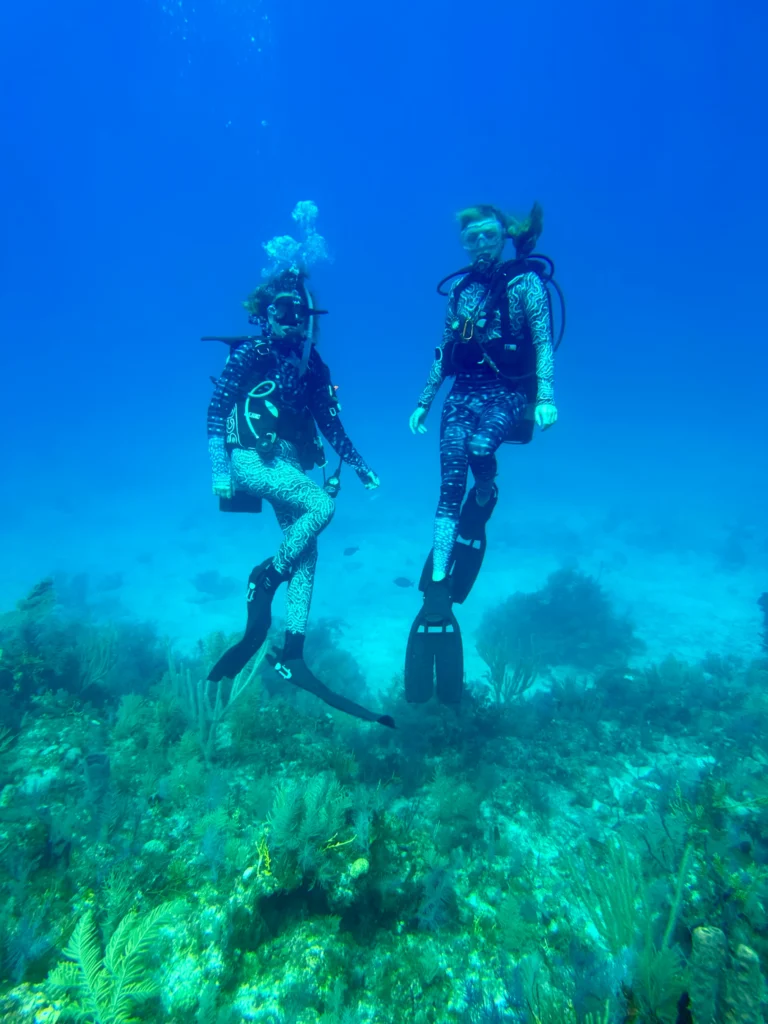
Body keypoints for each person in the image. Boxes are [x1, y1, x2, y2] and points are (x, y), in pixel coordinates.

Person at [205, 204, 392, 728]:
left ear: (308, 318)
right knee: (319, 506)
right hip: (250, 459)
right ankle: (266, 577)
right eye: (280, 313)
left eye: (297, 314)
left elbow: (331, 426)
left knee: (309, 552)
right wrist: (221, 471)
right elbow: (216, 412)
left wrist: (359, 464)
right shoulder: (251, 357)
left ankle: (292, 651)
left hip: (288, 463)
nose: (289, 322)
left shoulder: (314, 366)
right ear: (264, 315)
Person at [404, 202, 560, 704]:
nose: (479, 245)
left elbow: (541, 343)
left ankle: (488, 488)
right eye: (470, 238)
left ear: (503, 237)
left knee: (476, 448)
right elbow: (444, 353)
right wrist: (425, 402)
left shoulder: (525, 285)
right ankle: (441, 574)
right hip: (465, 391)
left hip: (510, 391)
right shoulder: (461, 293)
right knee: (449, 479)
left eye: (488, 235)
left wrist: (547, 398)